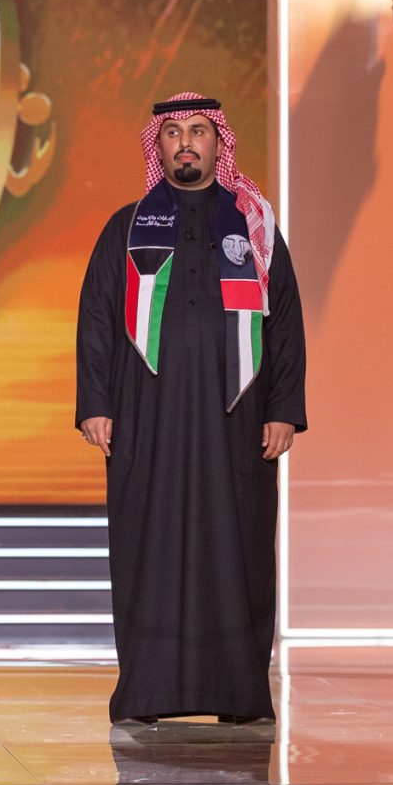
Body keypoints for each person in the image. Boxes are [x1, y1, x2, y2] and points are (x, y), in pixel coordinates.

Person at [75, 92, 307, 726]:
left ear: (217, 143)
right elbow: (97, 319)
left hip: (238, 421)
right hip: (145, 417)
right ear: (159, 145)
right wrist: (95, 403)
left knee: (238, 545)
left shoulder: (255, 228)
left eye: (199, 131)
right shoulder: (126, 228)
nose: (185, 142)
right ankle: (146, 692)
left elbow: (285, 322)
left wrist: (283, 408)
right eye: (173, 131)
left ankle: (237, 693)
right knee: (147, 543)